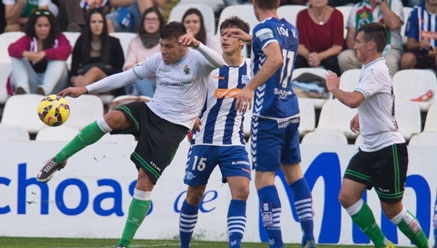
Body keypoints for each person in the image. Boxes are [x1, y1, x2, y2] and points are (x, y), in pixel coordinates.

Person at [35, 21, 224, 248]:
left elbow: (220, 63)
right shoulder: (158, 60)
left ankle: (123, 243)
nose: (163, 51)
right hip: (151, 110)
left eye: (168, 47)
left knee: (144, 181)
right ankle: (58, 158)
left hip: (172, 127)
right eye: (161, 45)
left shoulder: (197, 59)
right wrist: (86, 89)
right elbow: (124, 77)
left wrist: (198, 44)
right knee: (112, 117)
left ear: (183, 45)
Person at [325, 22, 429, 248]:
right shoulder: (369, 67)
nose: (355, 45)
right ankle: (383, 244)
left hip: (387, 149)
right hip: (368, 148)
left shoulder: (377, 70)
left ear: (371, 45)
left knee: (393, 212)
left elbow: (353, 99)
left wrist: (334, 88)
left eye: (359, 41)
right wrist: (362, 115)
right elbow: (376, 100)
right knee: (347, 196)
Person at [225, 0, 317, 247]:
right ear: (277, 2)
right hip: (290, 110)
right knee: (295, 175)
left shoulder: (262, 29)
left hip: (267, 113)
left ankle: (276, 242)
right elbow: (278, 48)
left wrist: (249, 87)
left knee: (264, 180)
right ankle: (308, 237)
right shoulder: (291, 28)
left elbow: (275, 58)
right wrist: (251, 36)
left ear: (255, 3)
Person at [178, 16, 251, 248]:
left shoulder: (252, 68)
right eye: (223, 34)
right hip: (204, 142)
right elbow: (187, 94)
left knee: (242, 191)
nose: (226, 39)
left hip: (234, 143)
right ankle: (184, 245)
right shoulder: (207, 65)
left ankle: (235, 244)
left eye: (233, 35)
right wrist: (192, 115)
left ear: (243, 41)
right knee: (194, 196)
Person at [8, 9, 71, 95]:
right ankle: (22, 89)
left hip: (55, 87)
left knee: (59, 58)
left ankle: (45, 90)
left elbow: (66, 50)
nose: (43, 29)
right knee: (17, 56)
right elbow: (12, 48)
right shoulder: (28, 39)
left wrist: (45, 53)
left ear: (51, 26)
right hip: (33, 85)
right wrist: (26, 54)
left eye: (46, 25)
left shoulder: (59, 38)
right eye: (39, 25)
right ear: (34, 26)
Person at [337, 0, 404, 75]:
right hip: (363, 50)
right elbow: (350, 40)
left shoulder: (395, 3)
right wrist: (362, 49)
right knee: (344, 58)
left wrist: (381, 3)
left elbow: (393, 24)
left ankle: (386, 86)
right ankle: (360, 84)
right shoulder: (357, 8)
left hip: (389, 49)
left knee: (390, 62)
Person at [69, 8, 125, 97]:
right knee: (87, 82)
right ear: (89, 24)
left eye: (100, 22)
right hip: (87, 81)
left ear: (104, 24)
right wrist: (74, 78)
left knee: (95, 71)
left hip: (109, 83)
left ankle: (78, 96)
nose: (97, 25)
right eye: (93, 22)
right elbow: (73, 68)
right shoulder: (81, 42)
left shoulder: (114, 43)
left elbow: (119, 70)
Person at [123, 6, 164, 97]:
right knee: (137, 78)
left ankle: (147, 102)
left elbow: (163, 67)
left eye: (154, 20)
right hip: (138, 77)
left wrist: (142, 67)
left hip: (158, 81)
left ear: (160, 23)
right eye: (148, 20)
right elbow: (128, 66)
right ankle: (151, 102)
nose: (151, 23)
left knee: (136, 90)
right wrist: (144, 70)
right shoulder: (135, 41)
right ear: (143, 22)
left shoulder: (165, 41)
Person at [295, 0, 344, 75]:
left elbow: (337, 46)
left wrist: (320, 56)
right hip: (308, 55)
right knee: (298, 61)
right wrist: (309, 56)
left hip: (328, 54)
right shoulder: (302, 15)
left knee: (331, 62)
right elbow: (299, 45)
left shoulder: (337, 15)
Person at [400, 0, 437, 71]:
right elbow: (409, 44)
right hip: (420, 54)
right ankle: (407, 82)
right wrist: (420, 44)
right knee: (406, 60)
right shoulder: (415, 12)